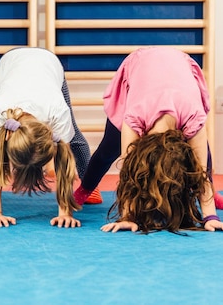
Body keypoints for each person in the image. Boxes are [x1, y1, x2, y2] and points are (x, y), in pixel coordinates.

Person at [69, 47, 223, 233]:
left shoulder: (193, 117)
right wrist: (128, 216)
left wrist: (210, 217)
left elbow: (201, 171)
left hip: (178, 69)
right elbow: (128, 173)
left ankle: (209, 196)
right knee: (107, 151)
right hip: (140, 66)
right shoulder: (133, 118)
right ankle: (84, 190)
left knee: (201, 157)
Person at [0, 47, 95, 228]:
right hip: (11, 63)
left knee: (74, 137)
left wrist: (65, 212)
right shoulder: (0, 109)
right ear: (8, 138)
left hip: (49, 65)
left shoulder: (58, 109)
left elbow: (63, 160)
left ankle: (89, 186)